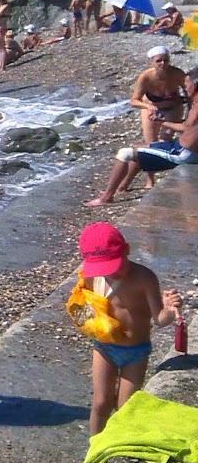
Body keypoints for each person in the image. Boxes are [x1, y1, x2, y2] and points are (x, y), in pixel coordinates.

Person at [71, 223, 184, 436]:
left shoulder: (145, 278)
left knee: (125, 407)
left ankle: (119, 445)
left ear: (128, 250)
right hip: (104, 348)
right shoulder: (91, 276)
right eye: (103, 269)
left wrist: (169, 310)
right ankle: (95, 449)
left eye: (114, 266)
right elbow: (82, 307)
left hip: (136, 352)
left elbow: (159, 319)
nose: (110, 273)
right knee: (100, 403)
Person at [86, 68, 198, 206]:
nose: (185, 88)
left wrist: (163, 122)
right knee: (137, 147)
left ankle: (106, 197)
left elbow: (188, 128)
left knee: (124, 153)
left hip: (183, 153)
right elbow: (189, 128)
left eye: (187, 85)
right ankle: (121, 187)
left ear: (195, 86)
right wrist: (162, 122)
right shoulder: (195, 103)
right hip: (179, 147)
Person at [130, 45, 187, 145]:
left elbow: (190, 91)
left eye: (166, 60)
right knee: (151, 143)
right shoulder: (145, 77)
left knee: (165, 140)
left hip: (173, 108)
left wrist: (192, 109)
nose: (163, 63)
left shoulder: (177, 73)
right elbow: (134, 101)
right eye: (158, 61)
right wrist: (148, 106)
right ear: (152, 62)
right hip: (151, 111)